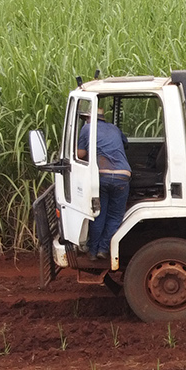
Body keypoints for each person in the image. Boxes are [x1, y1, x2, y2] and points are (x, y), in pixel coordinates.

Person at [75, 103, 130, 261]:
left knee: (99, 214)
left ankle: (92, 252)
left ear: (89, 118)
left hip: (102, 176)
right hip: (122, 176)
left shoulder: (87, 129)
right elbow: (125, 144)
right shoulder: (114, 129)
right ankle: (103, 249)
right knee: (115, 216)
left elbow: (81, 153)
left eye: (86, 119)